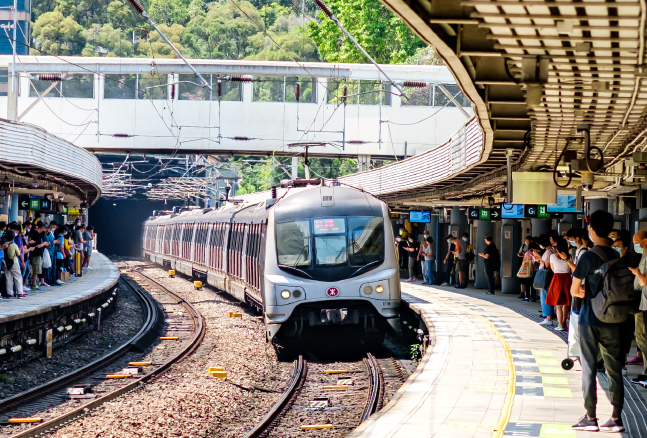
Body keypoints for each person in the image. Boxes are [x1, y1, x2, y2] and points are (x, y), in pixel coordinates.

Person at [571, 210, 625, 433]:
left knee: (589, 368)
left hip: (590, 319)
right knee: (614, 369)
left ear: (591, 230)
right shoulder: (615, 255)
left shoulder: (588, 256)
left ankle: (591, 417)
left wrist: (584, 291)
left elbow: (575, 290)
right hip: (615, 319)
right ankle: (616, 417)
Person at [628, 230, 647, 380]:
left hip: (644, 302)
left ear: (645, 241)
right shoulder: (643, 256)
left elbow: (644, 281)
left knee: (642, 337)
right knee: (640, 337)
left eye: (636, 242)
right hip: (641, 301)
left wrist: (636, 273)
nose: (635, 246)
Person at [546, 239, 572, 331]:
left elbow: (552, 268)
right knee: (565, 303)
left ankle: (560, 324)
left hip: (556, 278)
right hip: (567, 278)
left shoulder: (553, 256)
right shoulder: (569, 256)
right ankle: (564, 324)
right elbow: (570, 270)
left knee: (558, 304)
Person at [534, 234, 556, 327]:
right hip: (551, 276)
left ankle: (548, 318)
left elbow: (546, 266)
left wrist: (538, 258)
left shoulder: (547, 252)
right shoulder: (553, 250)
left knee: (545, 296)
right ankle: (548, 317)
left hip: (546, 276)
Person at [29, 221, 49, 290]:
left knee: (37, 270)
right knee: (36, 270)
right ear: (43, 228)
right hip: (35, 254)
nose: (46, 231)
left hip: (37, 254)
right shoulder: (36, 234)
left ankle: (34, 284)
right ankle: (33, 285)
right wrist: (44, 244)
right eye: (45, 229)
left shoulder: (38, 234)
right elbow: (37, 245)